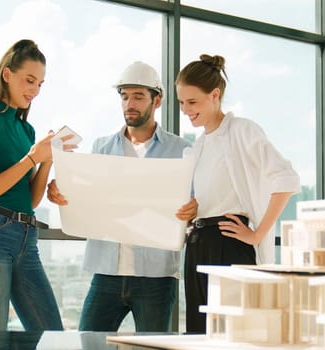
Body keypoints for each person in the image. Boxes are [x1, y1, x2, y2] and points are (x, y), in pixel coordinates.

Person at [46, 61, 198, 332]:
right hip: (107, 273)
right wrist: (60, 191)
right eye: (125, 96)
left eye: (138, 96)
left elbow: (196, 202)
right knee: (87, 342)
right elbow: (87, 199)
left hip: (156, 277)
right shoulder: (101, 147)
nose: (130, 103)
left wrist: (194, 208)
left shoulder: (181, 150)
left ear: (157, 100)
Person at [175, 54, 301, 333]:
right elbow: (218, 191)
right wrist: (195, 209)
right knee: (199, 333)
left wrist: (257, 234)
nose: (185, 109)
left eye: (192, 102)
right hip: (197, 243)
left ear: (215, 95)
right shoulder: (198, 147)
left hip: (229, 241)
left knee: (234, 332)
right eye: (181, 103)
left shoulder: (242, 130)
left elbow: (287, 179)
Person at [0, 39, 74, 331]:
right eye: (29, 80)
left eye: (40, 84)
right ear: (7, 74)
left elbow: (31, 200)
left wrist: (47, 159)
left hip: (27, 238)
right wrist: (31, 157)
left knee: (52, 335)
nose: (34, 90)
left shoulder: (26, 129)